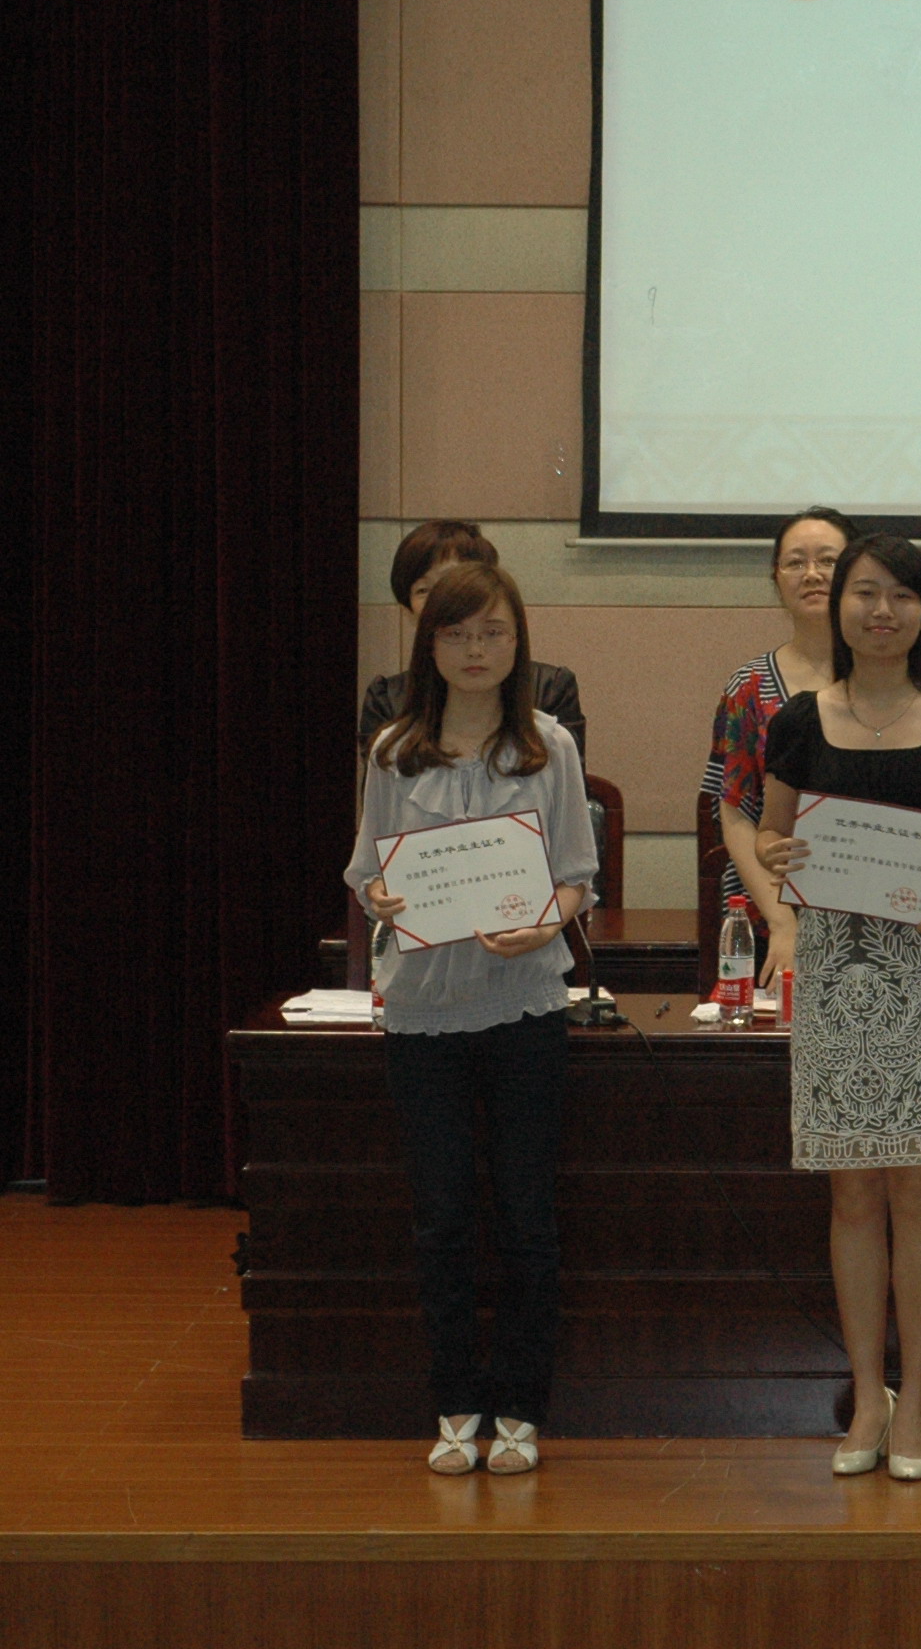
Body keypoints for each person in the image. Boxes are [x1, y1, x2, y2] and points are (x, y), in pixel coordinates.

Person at [754, 533, 921, 1484]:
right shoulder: (798, 721)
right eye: (865, 592)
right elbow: (774, 836)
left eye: (902, 595)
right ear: (839, 606)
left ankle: (920, 1398)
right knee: (852, 1192)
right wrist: (777, 858)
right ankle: (869, 1395)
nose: (881, 611)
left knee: (920, 1191)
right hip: (835, 972)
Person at [347, 562, 597, 1477]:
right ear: (430, 645)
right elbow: (367, 874)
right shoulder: (393, 750)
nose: (476, 650)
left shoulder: (549, 747)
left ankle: (522, 1407)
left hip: (523, 1002)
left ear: (518, 642)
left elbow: (576, 877)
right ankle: (456, 1402)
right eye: (457, 634)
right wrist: (381, 896)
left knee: (527, 1216)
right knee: (443, 1218)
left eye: (493, 633)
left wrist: (546, 921)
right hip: (421, 1009)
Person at [702, 507, 858, 996]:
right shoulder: (749, 687)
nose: (812, 574)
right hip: (769, 915)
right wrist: (783, 922)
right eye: (795, 562)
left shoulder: (890, 682)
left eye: (828, 561)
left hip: (871, 909)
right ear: (776, 578)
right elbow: (734, 815)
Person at [361, 520, 587, 759]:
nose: (441, 600)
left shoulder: (550, 689)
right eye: (424, 590)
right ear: (407, 606)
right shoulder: (387, 699)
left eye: (454, 584)